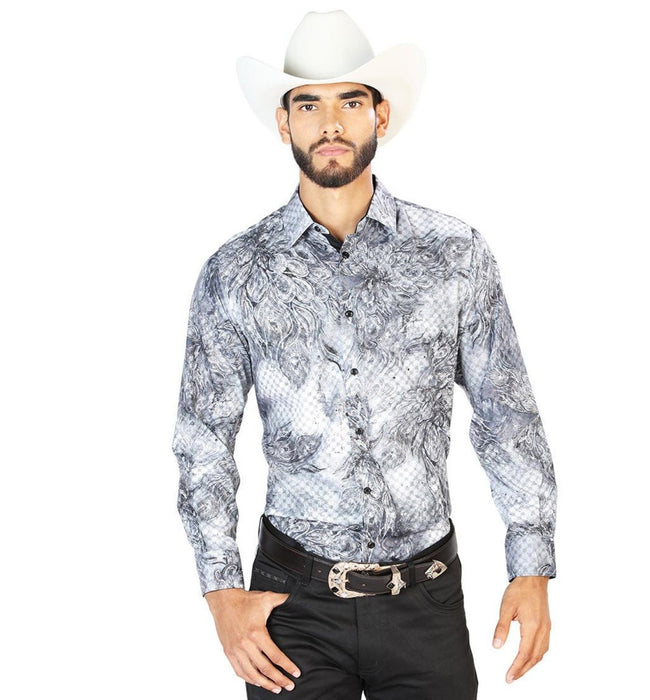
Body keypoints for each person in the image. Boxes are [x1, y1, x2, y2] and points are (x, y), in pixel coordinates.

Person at [171, 9, 557, 699]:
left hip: (425, 601)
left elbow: (506, 414)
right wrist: (221, 592)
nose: (330, 124)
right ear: (284, 123)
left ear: (380, 115)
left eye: (350, 102)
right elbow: (203, 440)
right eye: (308, 105)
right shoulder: (236, 273)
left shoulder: (454, 255)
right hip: (291, 608)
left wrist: (530, 563)